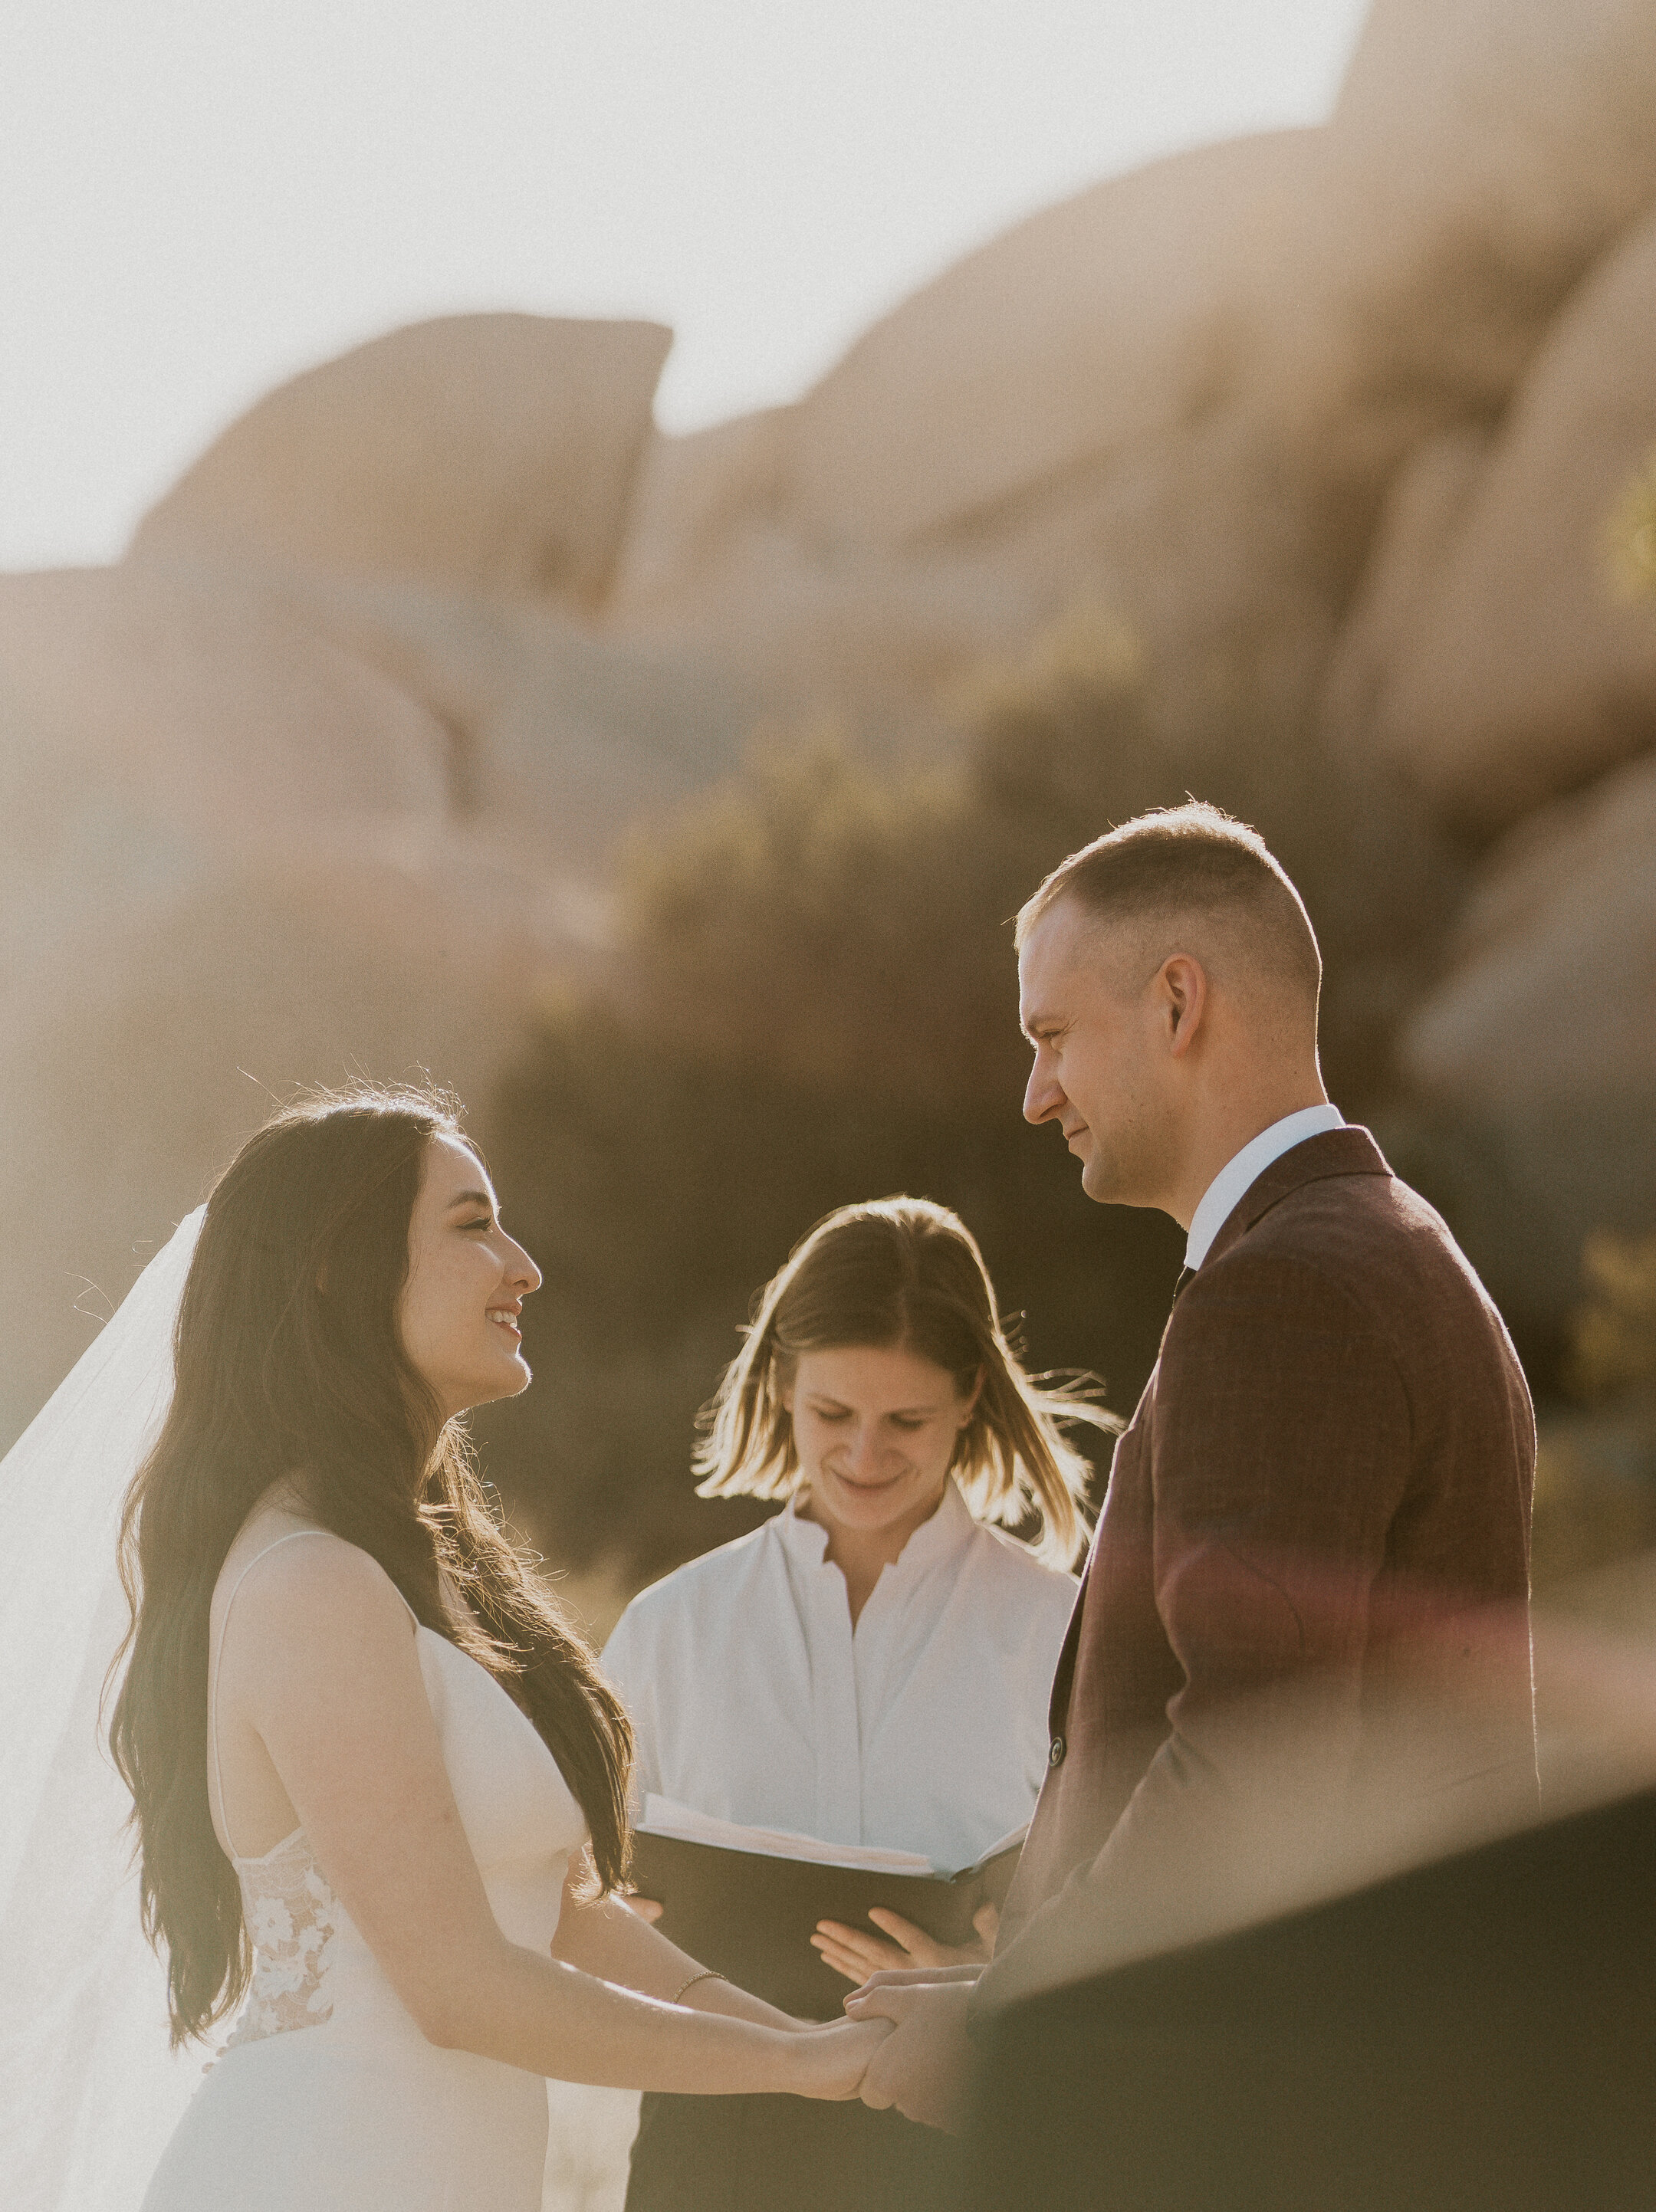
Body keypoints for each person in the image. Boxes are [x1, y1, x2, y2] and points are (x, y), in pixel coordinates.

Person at [844, 802, 1538, 2132]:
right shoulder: (1395, 1248)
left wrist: (1010, 2030)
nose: (1035, 1092)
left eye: (1053, 1037)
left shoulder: (1285, 1293)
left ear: (1178, 1001)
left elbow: (1243, 1753)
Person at [81, 1088, 886, 2211]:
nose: (524, 1265)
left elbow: (550, 1912)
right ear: (335, 1268)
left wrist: (813, 2049)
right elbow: (457, 1985)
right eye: (472, 1224)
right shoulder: (311, 1581)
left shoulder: (406, 1566)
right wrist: (799, 2067)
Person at [601, 1196, 1111, 2212]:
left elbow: (1139, 1901)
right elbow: (560, 1892)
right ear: (783, 1384)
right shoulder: (671, 1627)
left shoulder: (1065, 1633)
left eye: (906, 1420)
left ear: (969, 1395)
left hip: (965, 2139)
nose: (865, 1453)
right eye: (833, 1413)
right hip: (714, 2147)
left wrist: (993, 1970)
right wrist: (620, 1923)